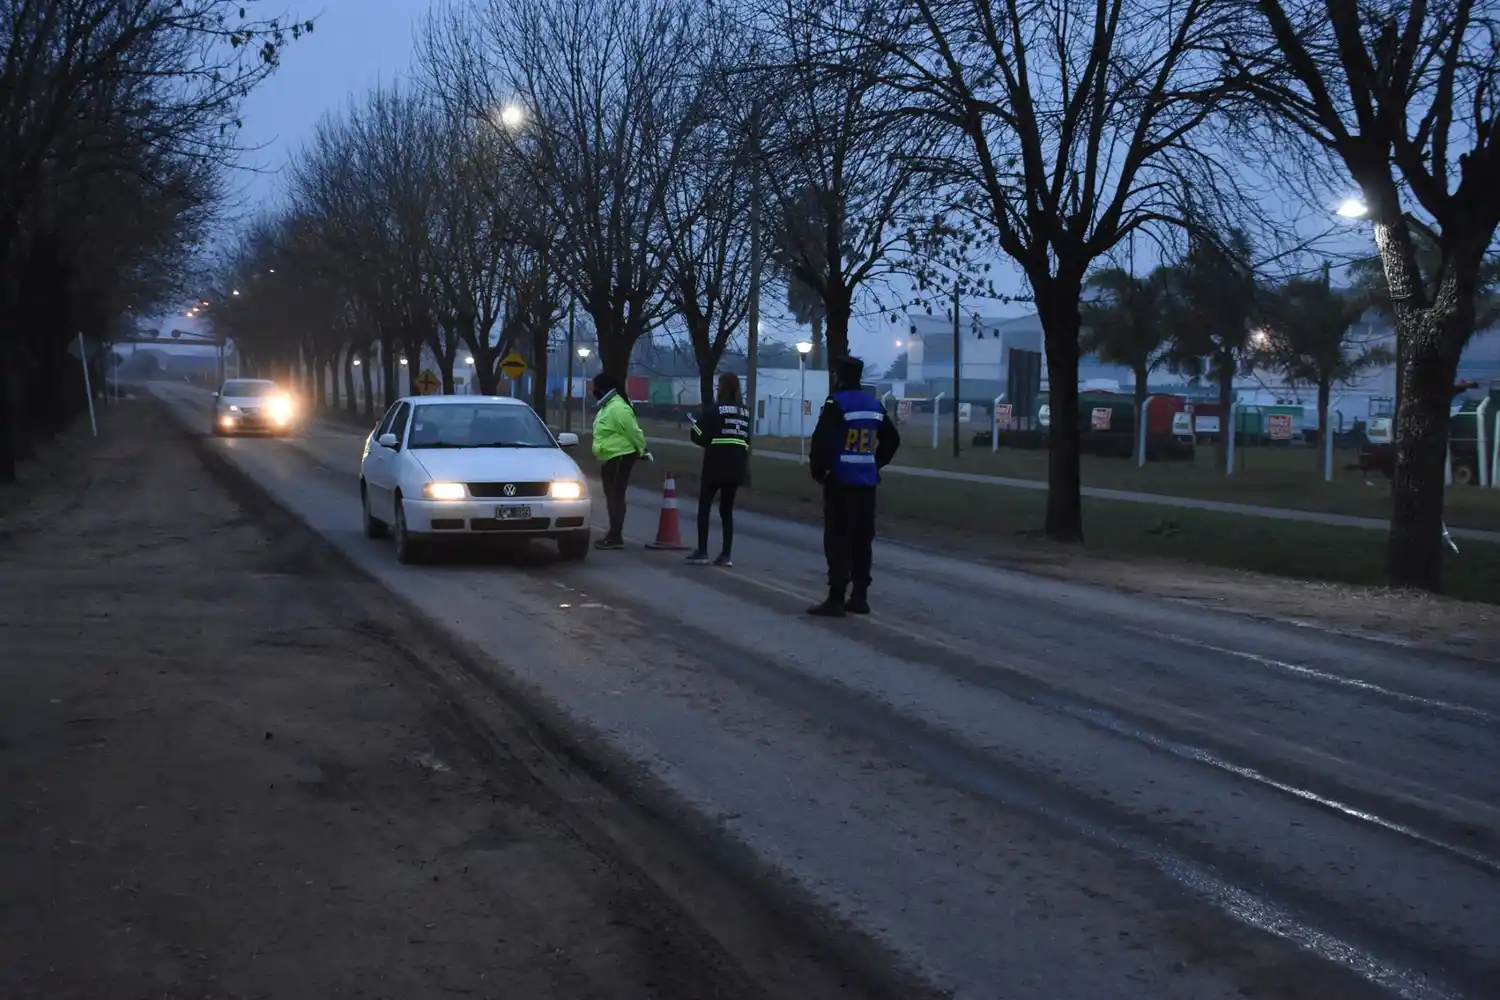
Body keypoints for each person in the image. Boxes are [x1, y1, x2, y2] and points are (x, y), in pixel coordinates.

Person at [807, 356, 899, 616]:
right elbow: (892, 439)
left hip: (841, 482)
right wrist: (874, 463)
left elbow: (822, 439)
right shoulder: (874, 404)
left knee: (838, 539)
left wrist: (819, 470)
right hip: (867, 484)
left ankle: (836, 597)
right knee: (862, 540)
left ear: (838, 376)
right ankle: (859, 596)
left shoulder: (836, 403)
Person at [686, 372, 750, 567]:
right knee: (726, 510)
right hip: (737, 466)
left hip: (715, 465)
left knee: (705, 506)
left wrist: (695, 423)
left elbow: (698, 435)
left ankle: (702, 551)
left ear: (721, 387)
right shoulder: (744, 412)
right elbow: (747, 440)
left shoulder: (715, 410)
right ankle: (726, 555)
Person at [590, 373, 649, 549]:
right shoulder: (607, 407)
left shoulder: (618, 407)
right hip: (610, 456)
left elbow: (634, 431)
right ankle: (613, 533)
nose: (594, 391)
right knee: (612, 496)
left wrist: (643, 450)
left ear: (604, 388)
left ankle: (615, 535)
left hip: (619, 456)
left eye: (596, 388)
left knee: (615, 496)